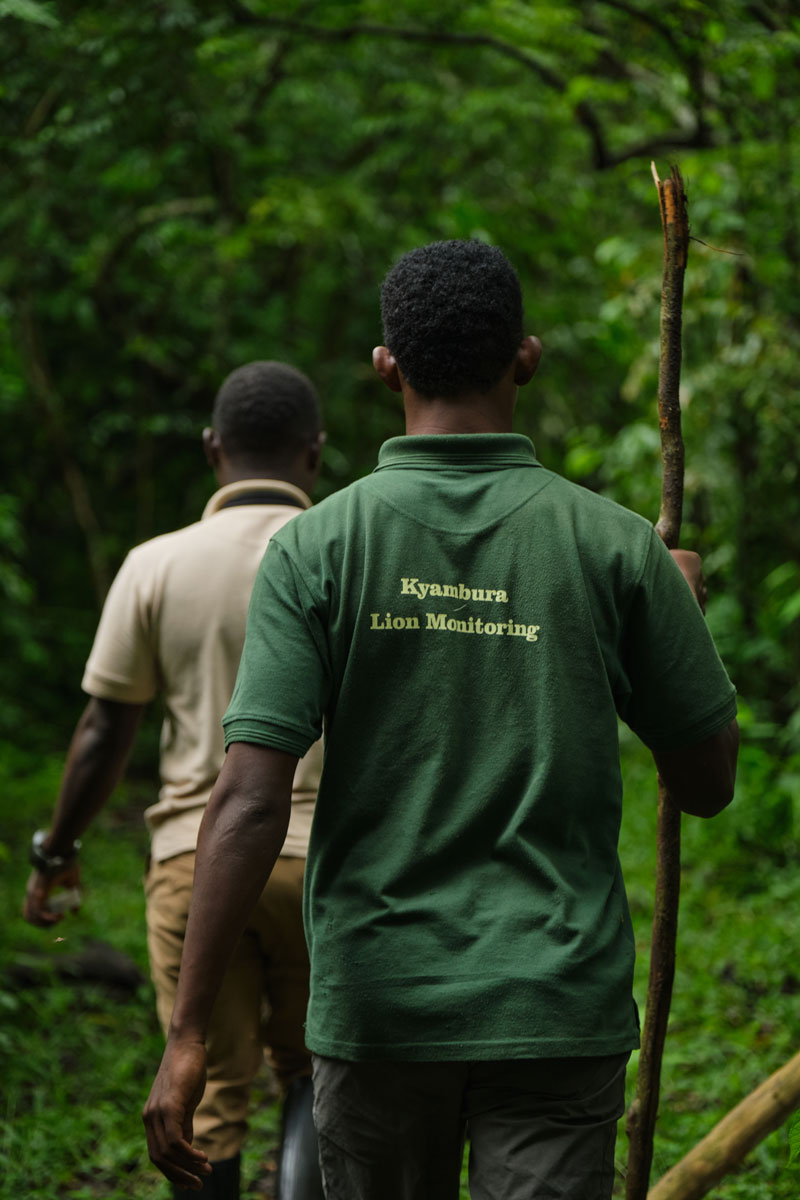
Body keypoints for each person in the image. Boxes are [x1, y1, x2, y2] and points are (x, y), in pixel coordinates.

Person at [143, 241, 739, 1200]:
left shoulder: (316, 549)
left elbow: (250, 799)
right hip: (556, 1004)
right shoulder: (617, 547)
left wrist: (190, 1034)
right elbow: (708, 784)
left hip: (380, 1010)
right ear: (527, 359)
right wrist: (677, 617)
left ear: (387, 368)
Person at [24, 361, 327, 1200]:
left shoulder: (155, 564)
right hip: (326, 866)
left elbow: (102, 733)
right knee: (316, 1077)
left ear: (211, 449)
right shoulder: (346, 554)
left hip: (196, 869)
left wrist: (56, 853)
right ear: (315, 453)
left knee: (210, 1095)